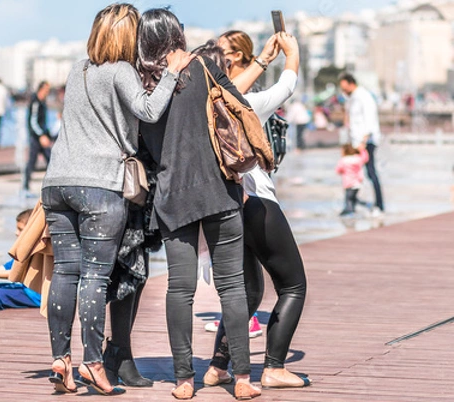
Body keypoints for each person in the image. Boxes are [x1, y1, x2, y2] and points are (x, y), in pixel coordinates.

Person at [40, 3, 192, 396]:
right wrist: (173, 70)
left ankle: (61, 358)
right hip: (99, 186)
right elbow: (149, 110)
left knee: (65, 273)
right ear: (128, 36)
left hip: (57, 183)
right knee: (95, 275)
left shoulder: (79, 69)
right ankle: (93, 363)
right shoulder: (121, 71)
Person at [137, 10, 261, 400]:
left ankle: (183, 380)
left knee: (180, 290)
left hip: (173, 196)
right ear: (178, 35)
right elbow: (240, 105)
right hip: (219, 190)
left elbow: (139, 144)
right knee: (232, 288)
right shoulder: (206, 67)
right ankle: (241, 378)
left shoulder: (141, 85)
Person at [200, 30, 311, 389]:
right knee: (293, 285)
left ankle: (218, 366)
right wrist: (291, 54)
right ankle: (275, 367)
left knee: (246, 292)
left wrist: (264, 56)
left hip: (223, 207)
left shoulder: (201, 102)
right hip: (257, 201)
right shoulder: (243, 103)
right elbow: (286, 86)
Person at [0, 209, 41, 312]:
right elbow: (7, 267)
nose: (16, 233)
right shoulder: (25, 248)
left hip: (37, 297)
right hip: (29, 292)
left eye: (20, 229)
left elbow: (16, 274)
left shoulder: (36, 251)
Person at [339, 72, 384, 216]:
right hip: (356, 141)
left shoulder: (364, 96)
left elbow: (370, 120)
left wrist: (363, 141)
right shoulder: (352, 98)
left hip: (366, 142)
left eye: (344, 87)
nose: (343, 91)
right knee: (352, 171)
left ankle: (379, 206)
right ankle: (351, 204)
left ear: (351, 83)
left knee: (371, 173)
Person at [23, 81, 52, 193]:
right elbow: (33, 122)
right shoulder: (35, 102)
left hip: (42, 137)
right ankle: (25, 187)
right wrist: (41, 135)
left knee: (51, 161)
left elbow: (43, 122)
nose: (47, 92)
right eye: (46, 90)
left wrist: (48, 134)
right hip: (36, 138)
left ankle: (51, 186)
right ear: (41, 89)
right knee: (31, 162)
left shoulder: (42, 102)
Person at [336, 143, 373, 216]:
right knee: (354, 199)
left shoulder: (343, 160)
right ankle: (366, 205)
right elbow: (365, 159)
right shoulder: (358, 159)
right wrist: (363, 150)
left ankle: (349, 212)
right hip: (357, 183)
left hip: (348, 184)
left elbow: (338, 170)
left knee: (348, 199)